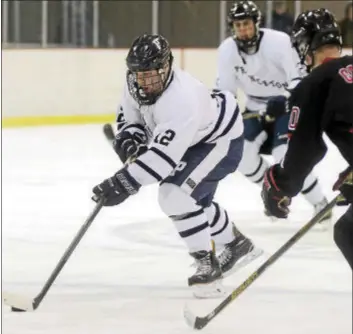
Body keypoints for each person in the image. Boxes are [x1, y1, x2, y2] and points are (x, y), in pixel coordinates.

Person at [91, 34, 263, 298]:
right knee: (192, 204)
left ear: (167, 67)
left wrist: (123, 182)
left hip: (220, 139)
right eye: (140, 76)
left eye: (151, 75)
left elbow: (160, 161)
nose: (145, 83)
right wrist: (129, 142)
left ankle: (207, 264)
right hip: (197, 136)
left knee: (173, 195)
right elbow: (131, 120)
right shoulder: (135, 81)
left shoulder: (181, 99)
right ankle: (237, 244)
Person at [216, 0, 331, 223]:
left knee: (285, 156)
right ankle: (274, 194)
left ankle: (319, 202)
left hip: (285, 105)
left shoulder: (279, 42)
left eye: (246, 24)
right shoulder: (227, 50)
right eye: (238, 25)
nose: (243, 29)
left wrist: (286, 99)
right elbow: (226, 92)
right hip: (254, 107)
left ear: (256, 23)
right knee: (242, 157)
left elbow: (299, 78)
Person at [261, 8, 353, 269]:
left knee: (349, 233)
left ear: (305, 46)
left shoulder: (315, 83)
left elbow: (305, 148)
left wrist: (280, 184)